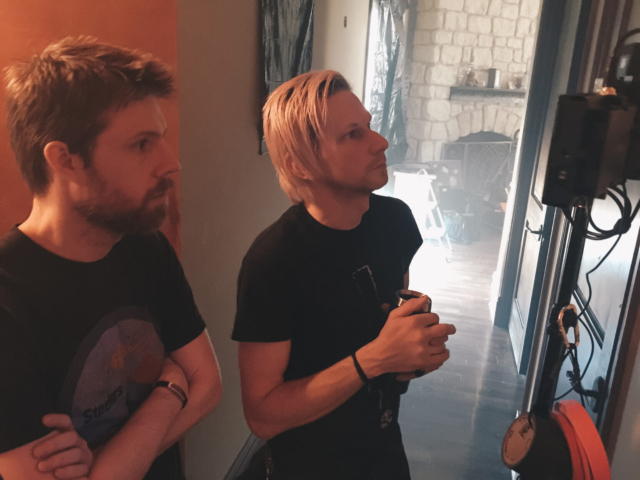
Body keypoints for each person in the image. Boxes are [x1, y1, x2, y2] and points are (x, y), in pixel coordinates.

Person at [0, 37, 222, 480]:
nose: (170, 162)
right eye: (142, 145)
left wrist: (106, 464)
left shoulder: (145, 246)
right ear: (65, 159)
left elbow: (210, 385)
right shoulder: (9, 298)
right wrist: (170, 388)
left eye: (161, 139)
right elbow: (189, 381)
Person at [232, 70, 456, 480]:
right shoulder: (273, 263)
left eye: (369, 126)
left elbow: (386, 318)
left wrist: (410, 355)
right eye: (353, 134)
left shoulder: (396, 222)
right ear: (301, 163)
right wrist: (376, 359)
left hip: (385, 455)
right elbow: (262, 416)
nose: (381, 142)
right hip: (308, 467)